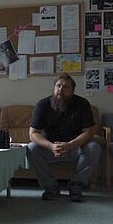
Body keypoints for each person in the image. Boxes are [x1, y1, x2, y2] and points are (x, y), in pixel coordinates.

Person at [27, 72, 101, 202]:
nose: (61, 89)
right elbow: (33, 134)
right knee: (31, 148)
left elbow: (88, 132)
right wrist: (52, 146)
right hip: (51, 149)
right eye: (58, 86)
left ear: (72, 91)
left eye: (66, 87)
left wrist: (69, 146)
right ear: (54, 88)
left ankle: (76, 186)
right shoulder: (42, 105)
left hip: (75, 148)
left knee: (94, 147)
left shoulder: (82, 104)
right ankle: (51, 188)